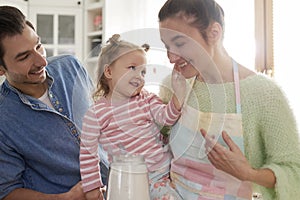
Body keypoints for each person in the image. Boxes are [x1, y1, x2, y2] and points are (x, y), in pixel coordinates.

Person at [157, 0, 300, 199]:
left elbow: (294, 170)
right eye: (167, 46)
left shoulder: (264, 94)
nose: (171, 58)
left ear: (214, 33)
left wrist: (248, 173)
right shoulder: (172, 85)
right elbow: (157, 146)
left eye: (180, 43)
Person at [0, 5, 103, 200]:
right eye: (24, 57)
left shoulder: (71, 66)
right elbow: (6, 191)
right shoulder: (3, 118)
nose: (42, 61)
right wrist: (65, 198)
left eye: (38, 46)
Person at [79, 34, 186, 200]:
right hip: (126, 180)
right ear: (108, 71)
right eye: (132, 68)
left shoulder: (147, 99)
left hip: (161, 176)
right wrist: (93, 189)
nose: (140, 76)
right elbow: (88, 153)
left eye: (143, 72)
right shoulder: (96, 114)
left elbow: (166, 118)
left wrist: (178, 97)